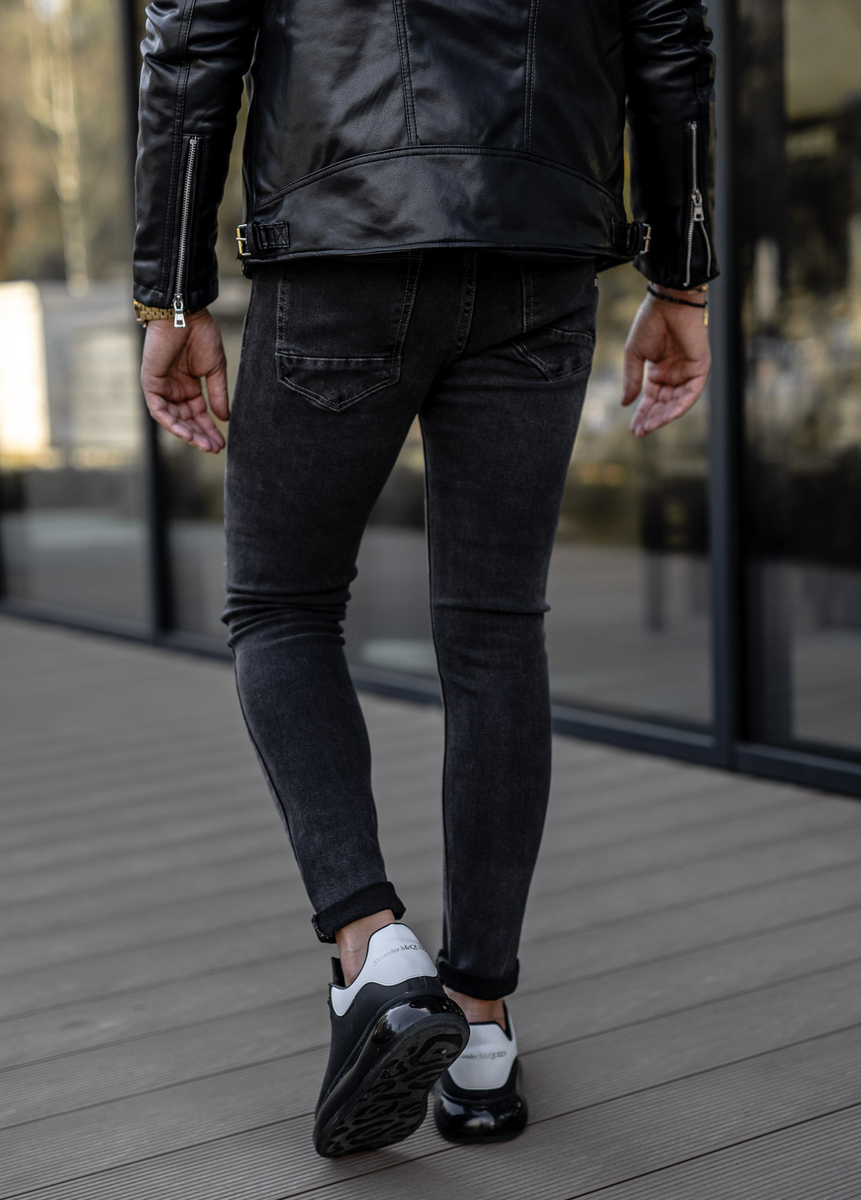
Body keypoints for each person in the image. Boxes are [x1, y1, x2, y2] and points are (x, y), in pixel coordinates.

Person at [133, 0, 720, 1159]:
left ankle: (373, 950)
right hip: (538, 242)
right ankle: (482, 1027)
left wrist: (170, 291)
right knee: (497, 628)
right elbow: (668, 30)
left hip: (341, 232)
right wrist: (684, 274)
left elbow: (193, 32)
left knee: (282, 607)